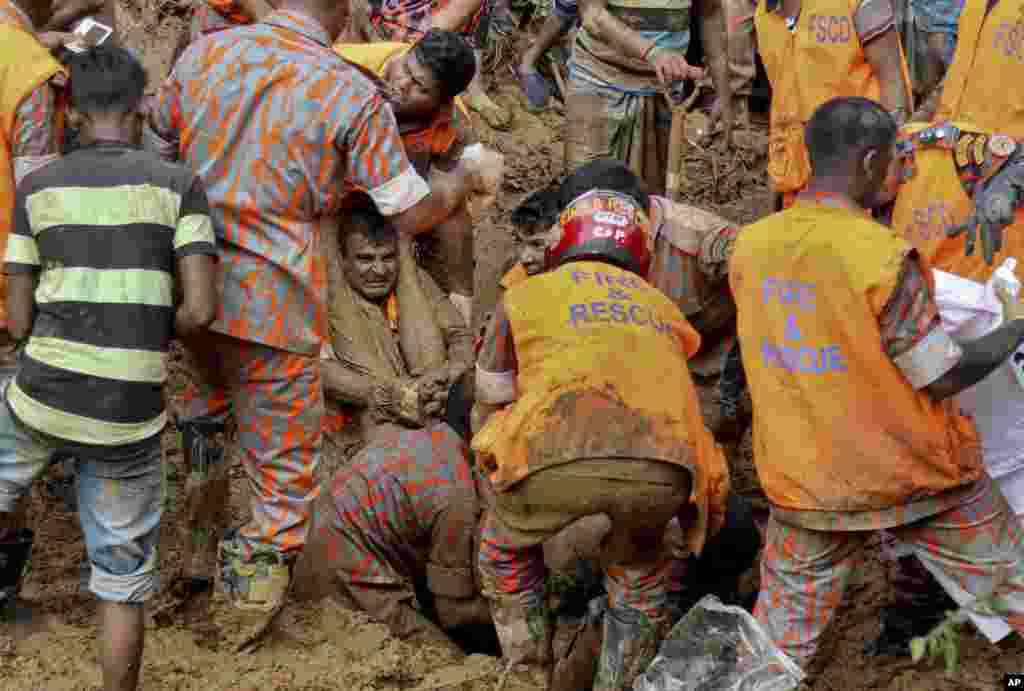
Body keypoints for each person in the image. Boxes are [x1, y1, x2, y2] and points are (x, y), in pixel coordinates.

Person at [145, 0, 485, 618]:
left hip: (190, 291)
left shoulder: (206, 53)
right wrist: (461, 183)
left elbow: (157, 152)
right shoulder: (348, 91)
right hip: (273, 304)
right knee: (281, 478)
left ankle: (196, 559)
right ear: (341, 14)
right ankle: (241, 620)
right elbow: (409, 212)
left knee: (202, 430)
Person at [730, 96, 1024, 669]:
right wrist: (1012, 328)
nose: (903, 175)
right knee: (1015, 590)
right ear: (870, 161)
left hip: (806, 485)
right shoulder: (882, 257)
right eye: (897, 162)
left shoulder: (752, 246)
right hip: (912, 474)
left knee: (776, 650)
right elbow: (940, 375)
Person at [0, 46, 217, 690]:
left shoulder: (37, 188)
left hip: (43, 393)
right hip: (128, 412)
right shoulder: (179, 186)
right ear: (141, 108)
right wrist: (146, 330)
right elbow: (201, 310)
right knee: (121, 583)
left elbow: (18, 322)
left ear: (70, 113)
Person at [472, 171, 731, 690]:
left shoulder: (525, 295)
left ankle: (526, 675)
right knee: (640, 570)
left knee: (502, 549)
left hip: (557, 451)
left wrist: (494, 484)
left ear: (563, 237)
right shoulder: (662, 306)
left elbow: (491, 395)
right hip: (666, 466)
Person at [292, 420, 492, 651]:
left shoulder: (437, 436)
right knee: (443, 657)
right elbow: (452, 613)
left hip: (317, 532)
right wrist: (516, 609)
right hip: (340, 566)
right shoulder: (458, 503)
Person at [334, 29, 486, 322]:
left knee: (453, 213)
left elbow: (445, 202)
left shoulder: (454, 127)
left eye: (420, 87)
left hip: (386, 194)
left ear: (443, 101)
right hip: (324, 176)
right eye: (406, 68)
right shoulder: (348, 65)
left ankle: (460, 310)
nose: (402, 84)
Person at [320, 202, 473, 464]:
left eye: (388, 257)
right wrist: (386, 393)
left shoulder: (414, 279)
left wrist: (451, 373)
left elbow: (460, 336)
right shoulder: (325, 294)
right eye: (365, 259)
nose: (380, 271)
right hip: (373, 420)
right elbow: (318, 369)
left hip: (435, 402)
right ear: (344, 261)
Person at [745, 0, 912, 208]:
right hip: (801, 185)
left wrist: (890, 162)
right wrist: (777, 178)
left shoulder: (856, 3)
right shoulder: (764, 15)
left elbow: (892, 79)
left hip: (863, 177)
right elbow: (783, 101)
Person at [564, 0, 730, 197]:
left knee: (649, 198)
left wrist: (723, 94)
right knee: (586, 193)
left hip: (662, 89)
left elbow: (710, 16)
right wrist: (652, 53)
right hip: (598, 80)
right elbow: (592, 14)